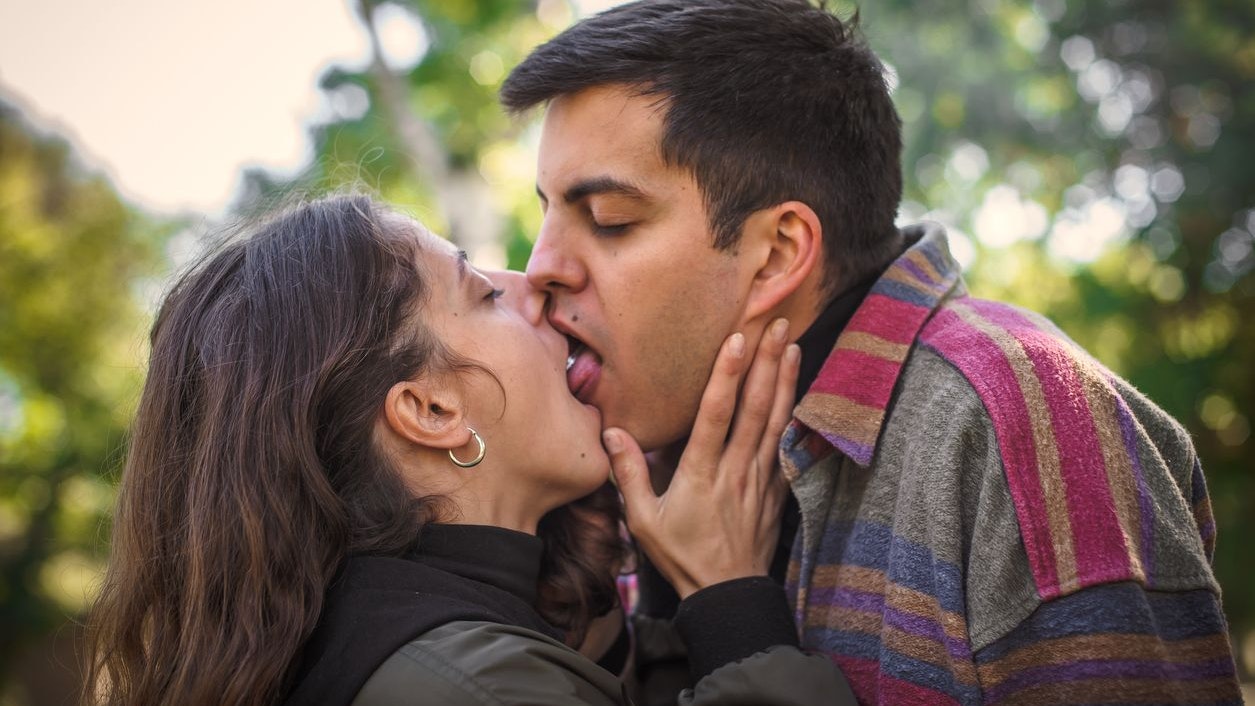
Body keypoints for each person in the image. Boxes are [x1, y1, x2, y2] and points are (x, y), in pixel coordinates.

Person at [501, 0, 1243, 703]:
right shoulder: (652, 445)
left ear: (775, 255)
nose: (541, 267)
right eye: (546, 212)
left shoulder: (1022, 421)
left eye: (608, 219)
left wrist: (731, 614)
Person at [81, 194, 853, 706]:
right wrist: (731, 602)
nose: (533, 282)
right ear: (430, 409)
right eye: (483, 294)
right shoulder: (472, 688)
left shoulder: (428, 631)